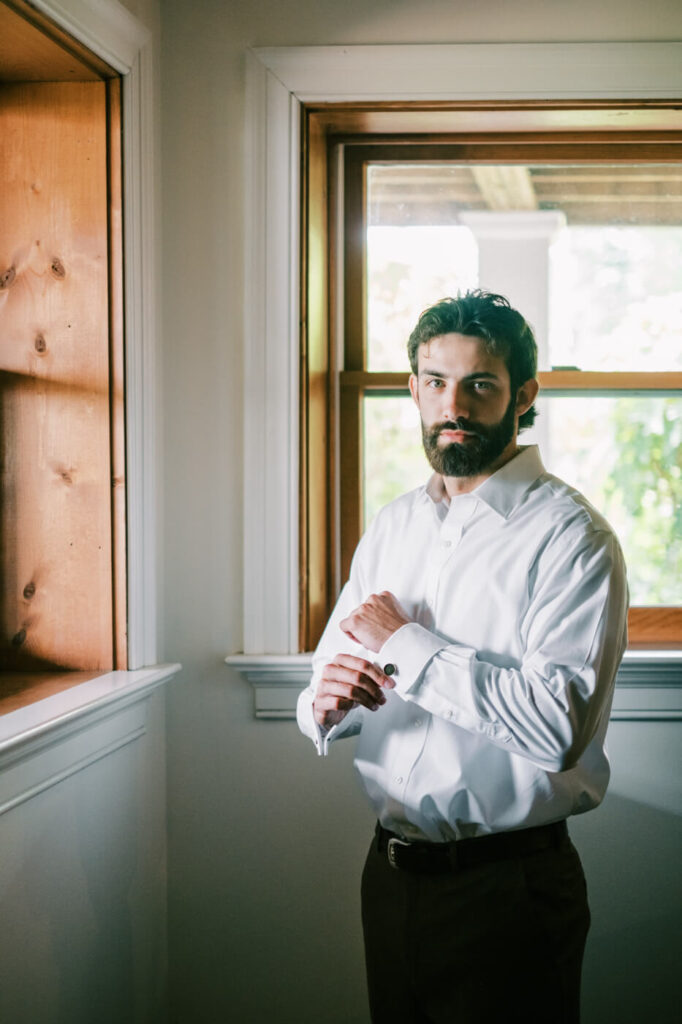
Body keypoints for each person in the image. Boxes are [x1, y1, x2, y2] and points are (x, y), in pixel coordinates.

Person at [296, 290, 628, 1024]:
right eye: (436, 383)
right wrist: (323, 705)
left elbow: (556, 730)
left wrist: (406, 645)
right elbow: (327, 675)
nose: (455, 405)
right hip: (387, 880)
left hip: (509, 894)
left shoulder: (573, 539)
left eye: (480, 385)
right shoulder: (393, 526)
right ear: (413, 390)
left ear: (523, 396)